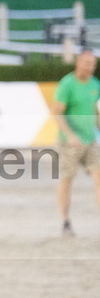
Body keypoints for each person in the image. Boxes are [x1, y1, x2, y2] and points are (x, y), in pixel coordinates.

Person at [52, 48, 100, 237]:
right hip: (68, 142)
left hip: (90, 141)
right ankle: (65, 221)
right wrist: (71, 135)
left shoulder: (95, 84)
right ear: (78, 63)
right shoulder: (67, 84)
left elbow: (95, 113)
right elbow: (57, 113)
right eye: (87, 63)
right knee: (67, 180)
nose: (90, 67)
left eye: (93, 64)